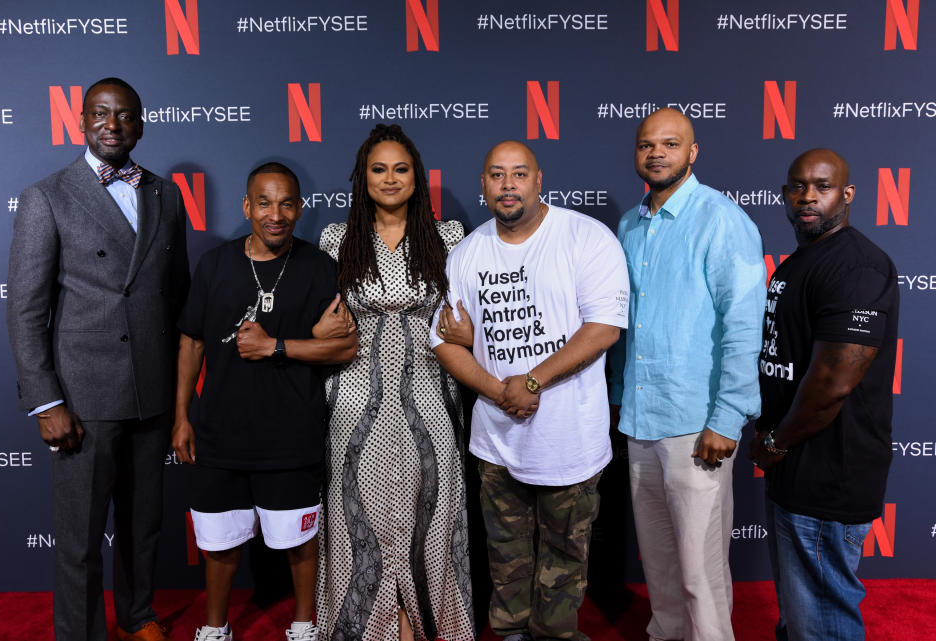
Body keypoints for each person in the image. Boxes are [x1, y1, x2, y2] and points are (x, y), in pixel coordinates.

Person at [5, 77, 189, 641]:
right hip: (82, 397)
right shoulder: (48, 196)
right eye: (101, 114)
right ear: (82, 122)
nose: (113, 125)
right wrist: (46, 400)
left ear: (141, 123)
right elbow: (25, 309)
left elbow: (176, 294)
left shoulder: (166, 193)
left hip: (151, 393)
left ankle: (137, 617)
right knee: (80, 537)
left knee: (144, 526)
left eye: (126, 115)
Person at [431, 140, 629, 641]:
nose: (508, 185)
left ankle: (556, 635)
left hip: (570, 439)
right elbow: (446, 344)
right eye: (496, 175)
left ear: (539, 180)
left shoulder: (586, 237)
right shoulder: (466, 253)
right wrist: (501, 391)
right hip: (497, 442)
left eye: (519, 174)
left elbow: (604, 327)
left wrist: (533, 381)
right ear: (483, 185)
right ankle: (513, 633)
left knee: (565, 559)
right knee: (506, 555)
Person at [171, 162, 357, 641]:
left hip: (291, 432)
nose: (276, 214)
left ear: (299, 207)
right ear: (247, 206)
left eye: (287, 203)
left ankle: (302, 625)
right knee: (219, 543)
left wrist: (275, 345)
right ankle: (215, 628)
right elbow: (190, 343)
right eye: (265, 202)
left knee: (299, 542)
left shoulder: (319, 266)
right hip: (218, 430)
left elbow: (343, 346)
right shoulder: (215, 264)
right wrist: (181, 417)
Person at [608, 108, 765, 641]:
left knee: (701, 572)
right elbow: (624, 325)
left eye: (670, 144)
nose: (657, 153)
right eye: (647, 144)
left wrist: (727, 419)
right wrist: (616, 399)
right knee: (661, 569)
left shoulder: (721, 219)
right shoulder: (630, 224)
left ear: (692, 152)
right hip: (639, 420)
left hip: (698, 425)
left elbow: (744, 325)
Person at [316, 124, 475, 641]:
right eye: (378, 169)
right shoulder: (337, 240)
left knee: (430, 522)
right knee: (359, 527)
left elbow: (469, 319)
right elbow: (321, 324)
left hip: (432, 402)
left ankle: (429, 626)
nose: (389, 179)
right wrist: (316, 332)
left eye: (400, 169)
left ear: (417, 177)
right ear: (363, 178)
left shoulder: (449, 238)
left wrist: (469, 333)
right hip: (352, 403)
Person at [751, 149, 899, 641]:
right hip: (796, 469)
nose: (808, 196)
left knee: (821, 619)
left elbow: (834, 379)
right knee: (800, 614)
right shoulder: (801, 262)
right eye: (798, 186)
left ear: (848, 194)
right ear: (785, 195)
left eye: (823, 186)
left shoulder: (857, 266)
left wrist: (775, 444)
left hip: (829, 474)